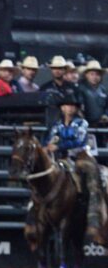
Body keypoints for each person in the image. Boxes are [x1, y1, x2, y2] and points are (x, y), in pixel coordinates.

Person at [44, 94, 103, 239]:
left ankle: (94, 217)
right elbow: (49, 139)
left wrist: (58, 146)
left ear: (76, 108)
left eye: (72, 106)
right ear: (62, 108)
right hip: (62, 157)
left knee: (91, 173)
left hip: (80, 156)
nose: (69, 108)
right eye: (66, 105)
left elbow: (79, 140)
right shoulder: (56, 125)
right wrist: (47, 147)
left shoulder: (82, 123)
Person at [78, 60, 108, 126]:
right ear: (86, 75)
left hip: (101, 124)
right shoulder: (81, 88)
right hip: (86, 123)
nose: (95, 77)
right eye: (92, 74)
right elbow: (79, 106)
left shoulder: (103, 89)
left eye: (97, 74)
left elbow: (106, 106)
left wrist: (106, 115)